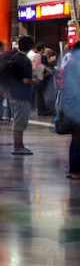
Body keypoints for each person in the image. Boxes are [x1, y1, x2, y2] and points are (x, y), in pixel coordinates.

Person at [2, 36, 37, 155]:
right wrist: (35, 81)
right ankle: (17, 146)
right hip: (22, 94)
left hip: (12, 92)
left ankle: (19, 145)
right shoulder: (25, 61)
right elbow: (26, 80)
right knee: (19, 121)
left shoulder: (14, 57)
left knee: (17, 119)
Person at [61, 42, 80, 179]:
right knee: (78, 140)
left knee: (75, 139)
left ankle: (73, 169)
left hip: (70, 107)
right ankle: (75, 170)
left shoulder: (69, 64)